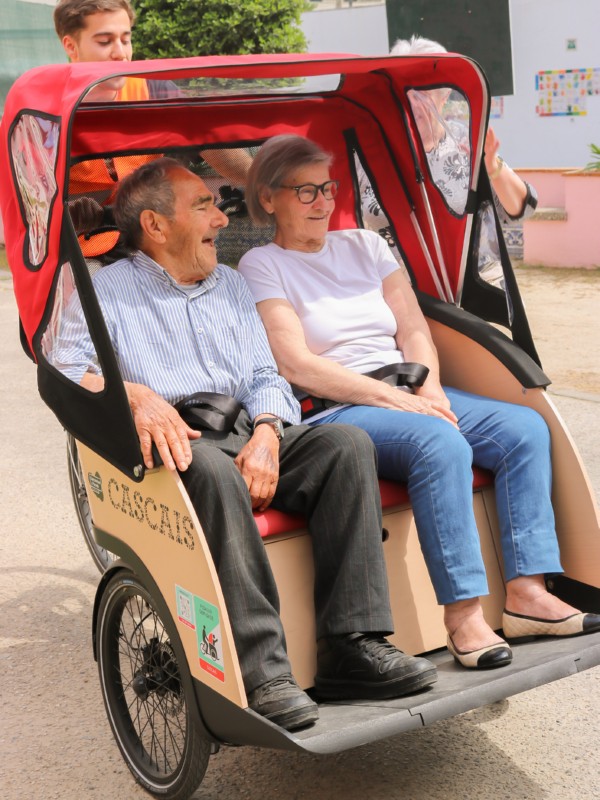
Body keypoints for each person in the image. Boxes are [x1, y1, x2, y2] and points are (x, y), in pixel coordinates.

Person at [50, 157, 438, 731]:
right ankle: (263, 673)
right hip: (173, 442)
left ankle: (352, 646)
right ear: (156, 225)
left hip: (242, 430)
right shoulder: (102, 290)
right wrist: (132, 394)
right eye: (204, 206)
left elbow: (264, 375)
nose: (223, 220)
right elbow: (63, 368)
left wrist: (266, 434)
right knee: (210, 468)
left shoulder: (229, 283)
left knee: (346, 447)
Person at [238, 134, 600, 670]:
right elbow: (296, 364)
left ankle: (527, 592)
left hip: (409, 389)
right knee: (441, 445)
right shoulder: (261, 264)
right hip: (340, 404)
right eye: (305, 191)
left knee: (524, 428)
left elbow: (413, 326)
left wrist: (427, 386)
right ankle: (464, 617)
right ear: (268, 199)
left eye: (328, 188)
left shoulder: (365, 244)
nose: (322, 202)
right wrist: (394, 400)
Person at [53, 0, 252, 260]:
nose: (120, 53)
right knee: (93, 294)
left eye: (125, 40)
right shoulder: (46, 108)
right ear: (71, 46)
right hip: (80, 248)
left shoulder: (153, 92)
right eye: (105, 42)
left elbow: (210, 140)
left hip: (153, 237)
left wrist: (262, 180)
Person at [358, 35, 537, 288]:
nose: (414, 101)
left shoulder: (466, 142)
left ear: (444, 97)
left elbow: (521, 210)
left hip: (476, 286)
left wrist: (492, 167)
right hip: (400, 291)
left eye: (424, 91)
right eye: (406, 91)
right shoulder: (372, 150)